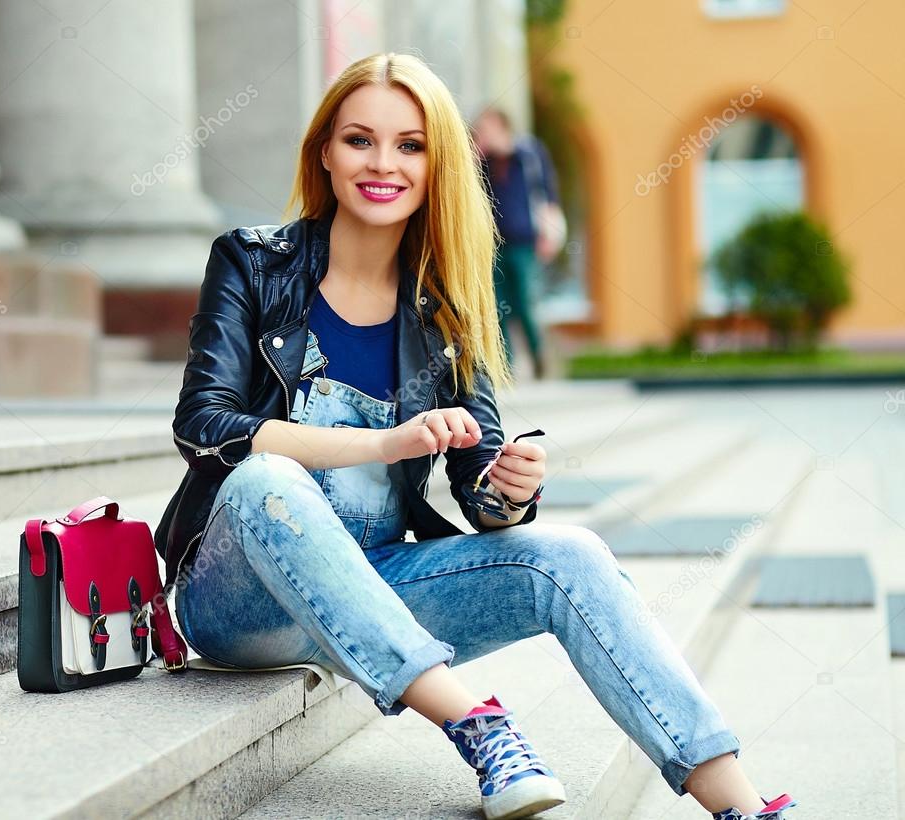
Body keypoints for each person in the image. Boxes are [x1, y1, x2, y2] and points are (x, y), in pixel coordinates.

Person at [153, 52, 798, 820]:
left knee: (571, 554)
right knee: (265, 478)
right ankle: (478, 725)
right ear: (325, 151)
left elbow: (479, 491)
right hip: (240, 601)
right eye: (360, 140)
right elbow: (203, 425)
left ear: (438, 166)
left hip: (377, 581)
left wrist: (507, 486)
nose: (383, 163)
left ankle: (744, 807)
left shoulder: (447, 301)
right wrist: (382, 444)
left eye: (411, 145)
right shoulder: (253, 264)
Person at [473, 106, 566, 381]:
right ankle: (507, 365)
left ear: (502, 127)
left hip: (525, 242)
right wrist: (477, 155)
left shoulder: (527, 155)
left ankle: (539, 357)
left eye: (487, 129)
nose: (484, 135)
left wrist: (549, 234)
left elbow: (547, 193)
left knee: (525, 303)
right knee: (497, 306)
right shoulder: (484, 162)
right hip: (492, 245)